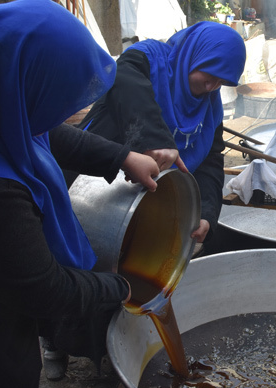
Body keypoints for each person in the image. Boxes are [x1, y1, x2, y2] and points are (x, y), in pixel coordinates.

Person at [0, 0, 162, 388]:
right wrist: (124, 286)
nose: (60, 115)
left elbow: (41, 129)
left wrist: (122, 156)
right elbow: (44, 290)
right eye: (55, 100)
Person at [78, 22, 247, 247]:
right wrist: (155, 140)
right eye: (209, 74)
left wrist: (206, 212)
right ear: (195, 56)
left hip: (143, 207)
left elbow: (210, 161)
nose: (211, 87)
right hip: (87, 189)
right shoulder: (148, 60)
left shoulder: (210, 109)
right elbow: (124, 81)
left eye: (221, 82)